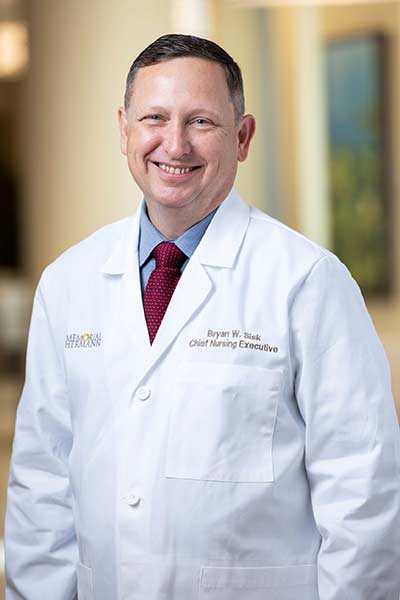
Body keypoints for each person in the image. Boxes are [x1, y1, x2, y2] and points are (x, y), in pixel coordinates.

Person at [5, 33, 400, 600]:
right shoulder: (68, 283)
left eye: (202, 122)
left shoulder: (308, 281)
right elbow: (41, 487)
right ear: (124, 130)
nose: (175, 143)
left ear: (242, 137)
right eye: (155, 118)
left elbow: (362, 492)